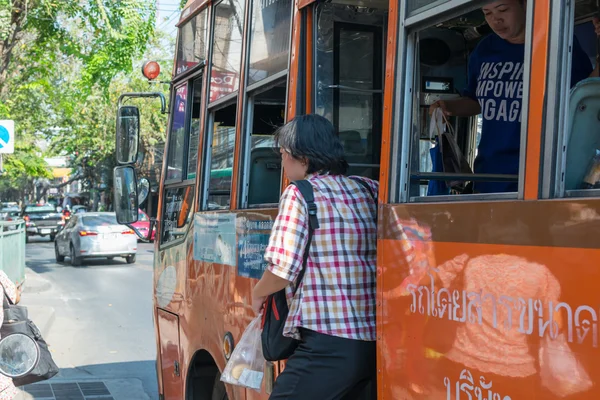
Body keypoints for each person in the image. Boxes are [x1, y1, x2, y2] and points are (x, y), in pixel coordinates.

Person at [251, 114, 379, 400]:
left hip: (328, 342)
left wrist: (257, 294)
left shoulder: (299, 194)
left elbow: (283, 268)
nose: (282, 163)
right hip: (375, 343)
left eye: (284, 155)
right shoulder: (368, 189)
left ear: (304, 159)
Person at [430, 0, 600, 193]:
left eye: (503, 10)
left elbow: (583, 95)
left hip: (541, 174)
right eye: (487, 13)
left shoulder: (556, 44)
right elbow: (476, 102)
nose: (496, 20)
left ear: (526, 6)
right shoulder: (485, 49)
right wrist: (447, 106)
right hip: (489, 174)